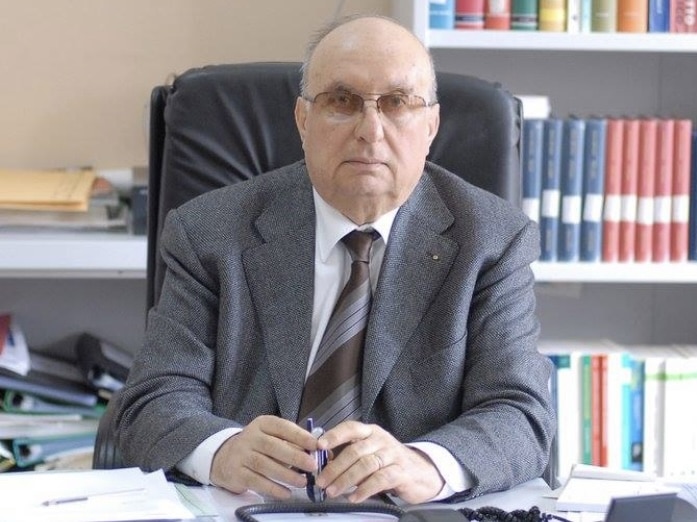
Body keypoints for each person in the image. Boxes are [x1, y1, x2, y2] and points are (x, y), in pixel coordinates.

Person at [113, 14, 555, 505]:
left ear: (431, 126)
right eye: (342, 101)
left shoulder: (491, 241)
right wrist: (222, 451)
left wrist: (425, 464)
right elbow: (153, 401)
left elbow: (520, 414)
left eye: (397, 103)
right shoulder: (208, 233)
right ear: (303, 120)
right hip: (246, 508)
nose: (371, 131)